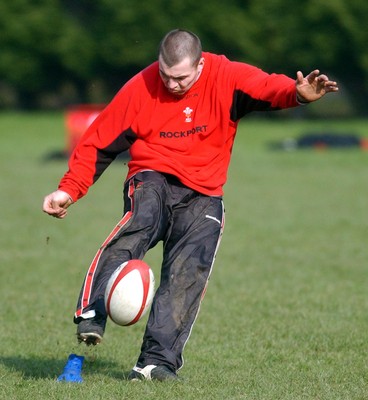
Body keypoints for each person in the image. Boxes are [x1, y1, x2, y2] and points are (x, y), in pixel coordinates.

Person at [42, 29, 339, 381]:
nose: (171, 84)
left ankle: (156, 363)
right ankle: (92, 312)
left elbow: (267, 87)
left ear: (200, 64)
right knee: (140, 221)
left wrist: (297, 95)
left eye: (180, 77)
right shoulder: (142, 85)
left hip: (205, 192)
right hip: (152, 176)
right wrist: (69, 190)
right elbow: (98, 142)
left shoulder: (227, 76)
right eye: (165, 75)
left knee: (187, 274)